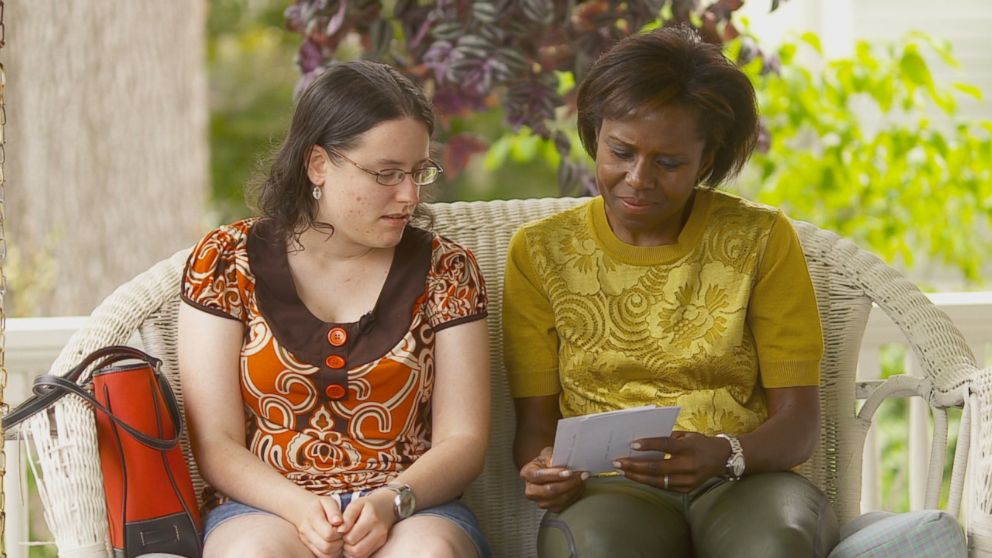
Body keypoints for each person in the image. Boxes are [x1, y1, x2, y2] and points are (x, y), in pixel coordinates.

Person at [503, 26, 839, 558]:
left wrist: (726, 455)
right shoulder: (542, 253)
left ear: (705, 161)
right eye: (621, 151)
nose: (638, 178)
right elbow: (536, 426)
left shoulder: (761, 240)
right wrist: (544, 469)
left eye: (669, 162)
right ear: (595, 134)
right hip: (609, 489)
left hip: (745, 479)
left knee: (773, 548)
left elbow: (799, 424)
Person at [178, 60, 491, 558]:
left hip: (413, 507)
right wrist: (301, 508)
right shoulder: (225, 259)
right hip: (267, 507)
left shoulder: (446, 269)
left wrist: (392, 500)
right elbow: (215, 443)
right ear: (319, 164)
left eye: (417, 172)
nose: (409, 195)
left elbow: (464, 438)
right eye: (386, 173)